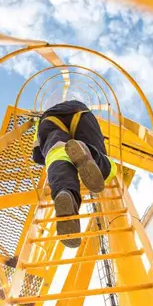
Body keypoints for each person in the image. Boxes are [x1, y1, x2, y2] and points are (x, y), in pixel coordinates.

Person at [32, 100, 116, 248]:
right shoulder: (71, 104)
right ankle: (87, 151)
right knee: (104, 165)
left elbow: (37, 155)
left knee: (56, 155)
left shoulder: (38, 121)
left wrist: (47, 155)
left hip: (49, 120)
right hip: (81, 112)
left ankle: (66, 192)